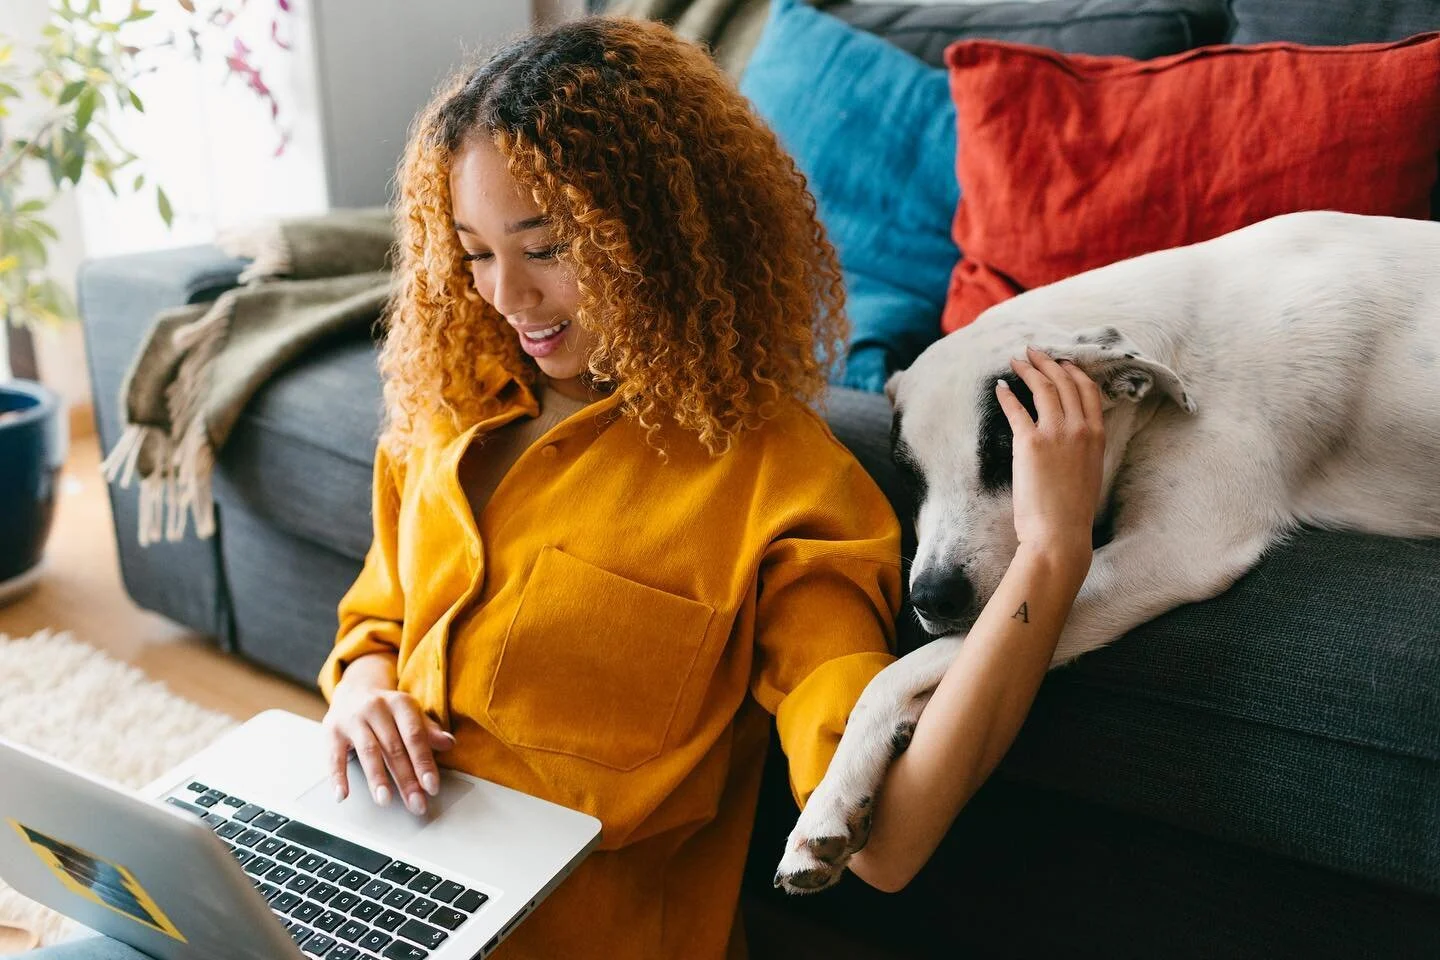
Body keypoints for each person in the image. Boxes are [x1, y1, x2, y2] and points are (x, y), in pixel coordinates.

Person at [26, 14, 1104, 960]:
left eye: (547, 248)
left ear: (666, 237)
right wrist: (361, 690)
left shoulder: (780, 485)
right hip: (359, 879)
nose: (508, 297)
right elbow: (377, 619)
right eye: (474, 254)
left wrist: (1050, 555)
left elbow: (890, 841)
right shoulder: (452, 410)